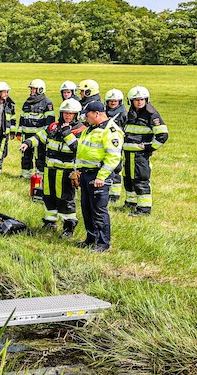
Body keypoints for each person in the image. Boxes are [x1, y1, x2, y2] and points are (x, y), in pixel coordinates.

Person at [20, 99, 84, 237]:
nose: (67, 116)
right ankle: (50, 222)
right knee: (48, 196)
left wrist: (67, 133)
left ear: (76, 115)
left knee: (65, 199)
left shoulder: (81, 130)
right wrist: (27, 143)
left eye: (71, 113)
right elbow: (40, 137)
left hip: (66, 172)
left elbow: (76, 148)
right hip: (49, 169)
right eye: (65, 113)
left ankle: (69, 227)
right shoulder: (53, 127)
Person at [72, 101, 123, 252]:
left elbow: (113, 158)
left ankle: (102, 244)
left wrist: (101, 177)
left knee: (99, 210)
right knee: (86, 208)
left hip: (99, 175)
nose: (85, 118)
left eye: (87, 115)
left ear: (97, 114)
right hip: (86, 174)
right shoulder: (90, 129)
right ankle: (91, 238)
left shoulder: (111, 131)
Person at [119, 86, 169, 216]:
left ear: (147, 99)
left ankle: (144, 209)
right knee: (128, 179)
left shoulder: (152, 115)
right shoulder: (129, 114)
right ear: (130, 101)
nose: (139, 102)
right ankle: (130, 204)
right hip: (128, 154)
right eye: (136, 99)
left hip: (140, 156)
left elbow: (163, 135)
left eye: (142, 99)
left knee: (140, 180)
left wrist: (149, 147)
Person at [17, 79, 55, 181]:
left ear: (40, 90)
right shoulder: (27, 102)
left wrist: (45, 135)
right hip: (26, 135)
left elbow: (50, 121)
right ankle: (26, 174)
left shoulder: (47, 103)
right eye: (31, 89)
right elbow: (22, 118)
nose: (32, 91)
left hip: (39, 137)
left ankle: (40, 176)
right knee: (26, 156)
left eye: (34, 89)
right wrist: (19, 132)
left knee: (40, 157)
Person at [104, 89, 127, 202]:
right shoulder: (104, 113)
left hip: (117, 144)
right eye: (111, 101)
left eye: (115, 101)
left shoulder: (123, 114)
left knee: (116, 168)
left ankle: (115, 194)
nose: (113, 103)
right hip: (104, 144)